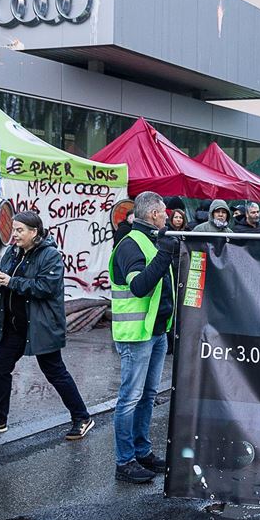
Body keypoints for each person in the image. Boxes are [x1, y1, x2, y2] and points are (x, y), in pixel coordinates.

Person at [0, 211, 93, 440]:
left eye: (20, 230)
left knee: (55, 372)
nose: (15, 234)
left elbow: (45, 287)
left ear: (34, 232)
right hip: (13, 325)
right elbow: (3, 283)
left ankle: (82, 417)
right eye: (14, 229)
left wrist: (11, 281)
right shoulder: (12, 252)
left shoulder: (50, 255)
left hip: (40, 326)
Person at [110, 191, 179, 483]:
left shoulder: (150, 240)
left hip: (155, 332)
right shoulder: (131, 245)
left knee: (147, 396)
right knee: (130, 399)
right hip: (136, 335)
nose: (168, 217)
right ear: (153, 214)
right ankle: (124, 461)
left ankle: (142, 451)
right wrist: (165, 253)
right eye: (164, 213)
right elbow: (139, 286)